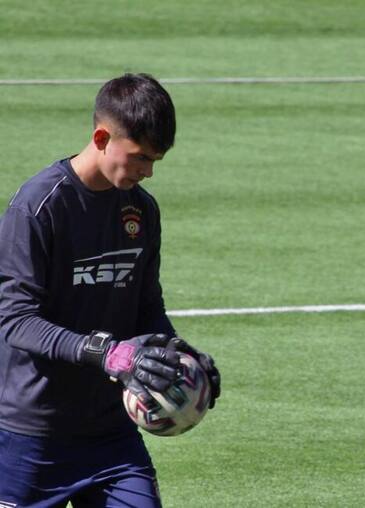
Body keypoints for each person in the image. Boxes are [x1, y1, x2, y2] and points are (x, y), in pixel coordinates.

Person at [0, 73, 221, 507]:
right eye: (139, 157)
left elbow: (145, 308)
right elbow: (15, 319)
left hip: (110, 436)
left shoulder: (140, 209)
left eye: (156, 161)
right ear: (102, 136)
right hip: (30, 437)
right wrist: (110, 353)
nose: (147, 172)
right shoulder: (39, 207)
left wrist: (180, 355)